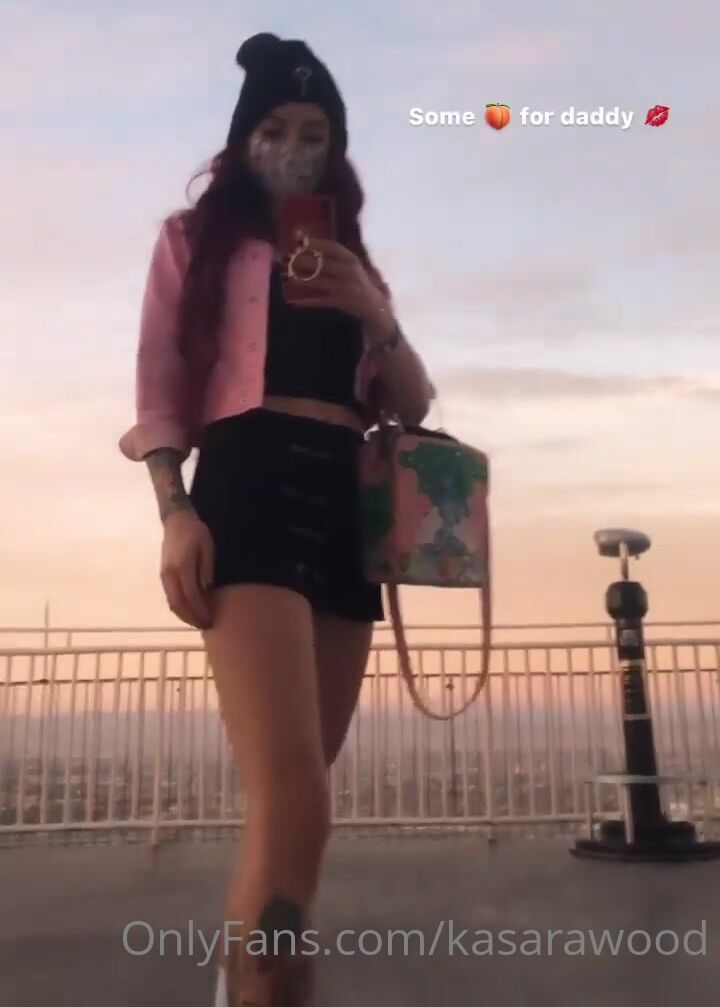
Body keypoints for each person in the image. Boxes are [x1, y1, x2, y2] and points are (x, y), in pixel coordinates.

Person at [118, 31, 435, 1006]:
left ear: (335, 145)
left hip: (341, 497)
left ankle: (246, 978)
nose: (294, 147)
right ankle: (269, 984)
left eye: (314, 131)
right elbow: (159, 392)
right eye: (275, 128)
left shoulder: (349, 258)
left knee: (297, 798)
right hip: (247, 484)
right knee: (297, 798)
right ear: (242, 137)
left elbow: (413, 403)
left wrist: (373, 312)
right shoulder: (192, 241)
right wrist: (176, 514)